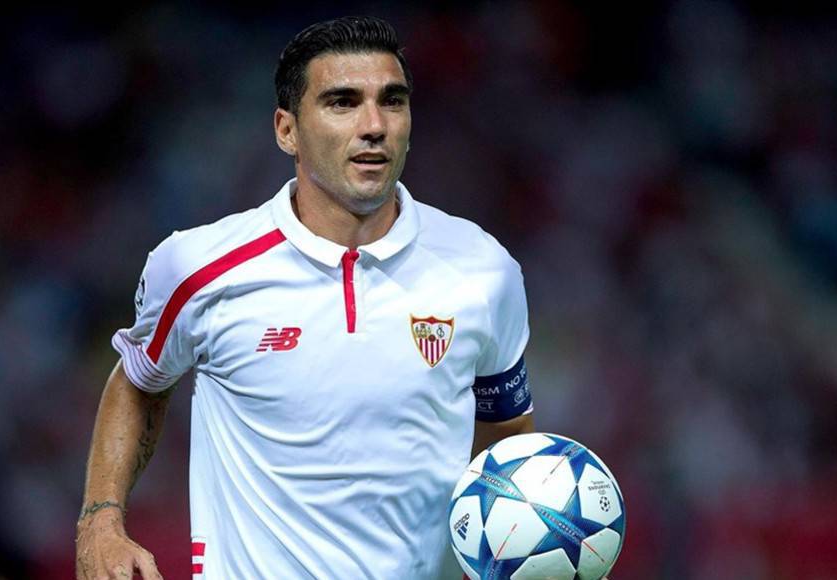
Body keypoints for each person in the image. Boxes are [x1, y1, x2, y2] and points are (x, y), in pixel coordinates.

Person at [76, 15, 535, 579]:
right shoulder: (198, 268)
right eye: (343, 102)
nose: (374, 125)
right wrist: (100, 521)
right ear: (286, 130)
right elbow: (139, 382)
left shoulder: (484, 271)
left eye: (392, 101)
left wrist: (534, 548)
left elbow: (507, 435)